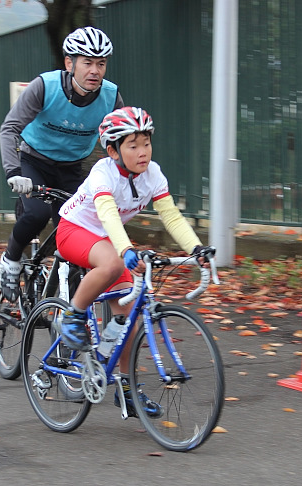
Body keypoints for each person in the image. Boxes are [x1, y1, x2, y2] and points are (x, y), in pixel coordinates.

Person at [55, 106, 212, 418]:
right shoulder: (103, 173)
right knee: (113, 264)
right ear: (113, 150)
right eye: (133, 145)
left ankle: (126, 390)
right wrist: (126, 250)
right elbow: (108, 215)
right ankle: (73, 316)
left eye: (147, 143)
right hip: (75, 230)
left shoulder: (153, 174)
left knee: (130, 320)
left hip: (110, 240)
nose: (143, 152)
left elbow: (171, 216)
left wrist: (197, 248)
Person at [0, 26, 124, 301]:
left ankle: (67, 303)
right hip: (34, 162)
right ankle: (10, 260)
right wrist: (14, 172)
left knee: (74, 233)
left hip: (72, 168)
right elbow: (9, 128)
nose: (95, 71)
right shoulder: (45, 86)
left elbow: (121, 143)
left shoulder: (110, 97)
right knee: (37, 214)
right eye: (87, 62)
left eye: (101, 64)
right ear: (70, 63)